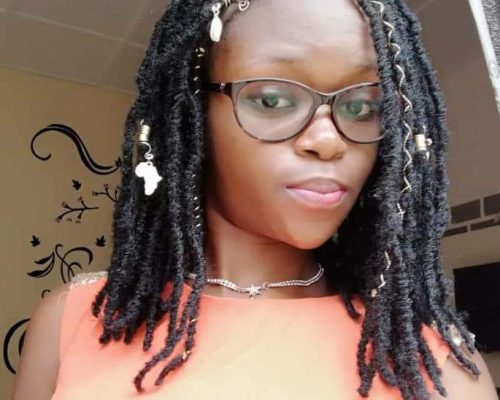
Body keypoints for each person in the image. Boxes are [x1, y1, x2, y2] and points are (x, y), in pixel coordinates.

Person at [11, 0, 499, 399]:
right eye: (272, 99)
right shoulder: (72, 320)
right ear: (193, 116)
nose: (329, 141)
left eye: (362, 106)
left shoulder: (434, 359)